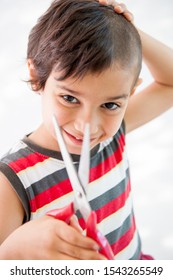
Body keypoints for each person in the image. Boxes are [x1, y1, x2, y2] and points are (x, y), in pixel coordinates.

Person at [0, 0, 173, 260]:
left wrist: (127, 31)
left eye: (111, 104)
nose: (87, 126)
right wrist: (13, 251)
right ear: (37, 77)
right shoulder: (13, 183)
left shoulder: (111, 138)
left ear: (130, 93)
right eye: (70, 98)